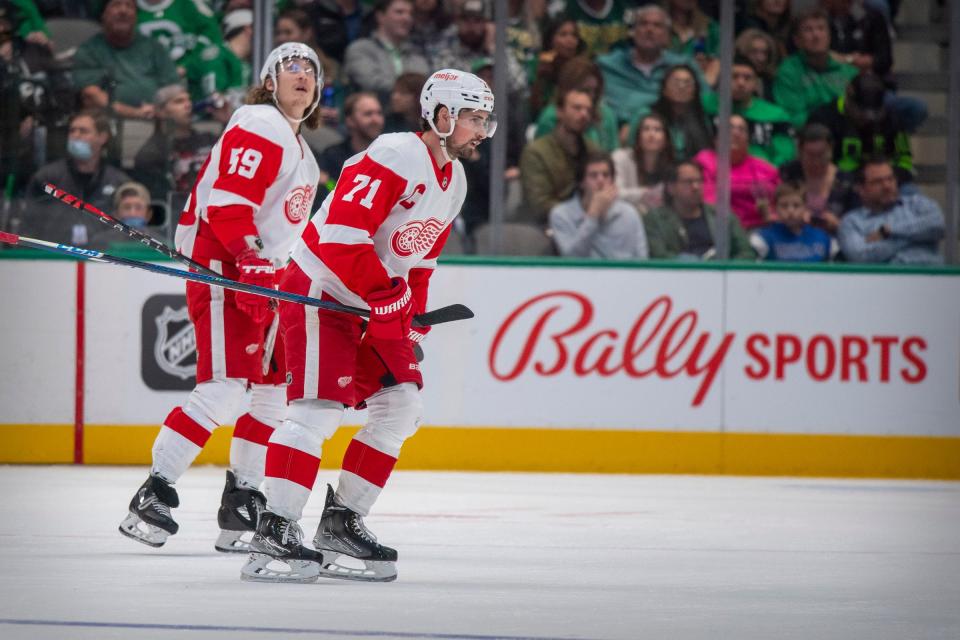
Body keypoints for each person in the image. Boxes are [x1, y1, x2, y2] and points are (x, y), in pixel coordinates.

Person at [240, 68, 496, 583]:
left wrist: (410, 316)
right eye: (472, 117)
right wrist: (386, 296)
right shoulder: (395, 154)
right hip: (322, 291)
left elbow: (419, 261)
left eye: (484, 119)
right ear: (442, 116)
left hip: (367, 302)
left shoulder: (456, 180)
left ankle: (339, 523)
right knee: (316, 411)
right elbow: (339, 236)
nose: (480, 129)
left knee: (401, 407)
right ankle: (274, 527)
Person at [118, 42, 322, 553]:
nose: (303, 76)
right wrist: (249, 259)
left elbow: (287, 233)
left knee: (273, 395)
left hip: (264, 278)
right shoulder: (259, 122)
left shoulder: (306, 155)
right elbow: (229, 204)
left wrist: (284, 277)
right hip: (225, 267)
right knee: (225, 388)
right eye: (291, 67)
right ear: (269, 81)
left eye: (311, 70)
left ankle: (242, 502)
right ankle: (154, 490)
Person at [21, 109, 131, 246]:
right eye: (72, 131)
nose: (75, 135)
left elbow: (129, 231)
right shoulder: (46, 178)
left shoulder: (119, 182)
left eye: (83, 131)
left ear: (102, 137)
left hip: (104, 260)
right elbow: (27, 226)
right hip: (52, 259)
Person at [597, 4, 706, 137]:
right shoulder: (606, 65)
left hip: (671, 135)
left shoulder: (684, 66)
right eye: (643, 24)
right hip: (615, 136)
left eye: (657, 25)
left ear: (667, 35)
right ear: (633, 31)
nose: (649, 29)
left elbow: (706, 102)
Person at [72, 0, 180, 120]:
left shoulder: (154, 47)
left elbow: (173, 88)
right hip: (109, 122)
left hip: (157, 120)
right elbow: (91, 96)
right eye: (116, 5)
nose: (123, 11)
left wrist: (158, 109)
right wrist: (135, 113)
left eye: (129, 6)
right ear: (103, 14)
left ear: (136, 16)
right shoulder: (89, 51)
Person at [807, 72, 915, 188]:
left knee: (909, 190)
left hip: (883, 179)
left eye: (875, 113)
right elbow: (816, 161)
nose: (867, 119)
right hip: (838, 182)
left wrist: (894, 175)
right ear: (849, 100)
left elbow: (905, 158)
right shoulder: (824, 118)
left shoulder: (892, 119)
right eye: (861, 112)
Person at [838, 157, 945, 264]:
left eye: (890, 179)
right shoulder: (852, 222)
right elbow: (861, 256)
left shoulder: (916, 204)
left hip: (930, 275)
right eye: (878, 182)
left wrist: (889, 231)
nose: (887, 186)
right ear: (860, 189)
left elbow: (938, 225)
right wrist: (917, 237)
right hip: (886, 278)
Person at [644, 161, 755, 260]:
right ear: (671, 188)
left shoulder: (722, 216)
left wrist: (724, 269)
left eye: (699, 181)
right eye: (688, 182)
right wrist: (689, 264)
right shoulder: (655, 219)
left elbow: (746, 253)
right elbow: (658, 255)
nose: (696, 186)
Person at [519, 87, 596, 229]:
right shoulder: (537, 152)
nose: (584, 114)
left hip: (590, 222)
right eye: (577, 108)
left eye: (588, 110)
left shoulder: (593, 151)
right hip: (546, 227)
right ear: (559, 111)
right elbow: (540, 205)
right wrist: (580, 214)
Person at [549, 150, 648, 259]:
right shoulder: (561, 214)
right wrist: (593, 216)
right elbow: (572, 258)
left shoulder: (630, 214)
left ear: (613, 182)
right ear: (581, 183)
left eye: (606, 175)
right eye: (593, 175)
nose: (600, 180)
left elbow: (642, 261)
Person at [133, 84, 219, 205]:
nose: (188, 105)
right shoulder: (150, 154)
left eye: (189, 100)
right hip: (179, 217)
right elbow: (159, 203)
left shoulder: (211, 140)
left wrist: (227, 119)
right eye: (179, 101)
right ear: (161, 111)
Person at [772, 7, 858, 128]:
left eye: (821, 29)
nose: (816, 35)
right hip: (810, 136)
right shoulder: (788, 71)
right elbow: (792, 117)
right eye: (808, 30)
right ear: (797, 40)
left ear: (829, 36)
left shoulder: (847, 70)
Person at [703, 56, 795, 166]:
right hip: (712, 174)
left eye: (747, 78)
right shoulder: (704, 105)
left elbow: (784, 156)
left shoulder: (777, 115)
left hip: (761, 178)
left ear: (756, 83)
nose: (741, 83)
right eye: (734, 77)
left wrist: (769, 174)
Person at [694, 114, 780, 230]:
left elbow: (782, 202)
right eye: (729, 128)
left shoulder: (766, 169)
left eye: (741, 130)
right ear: (716, 139)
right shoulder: (703, 162)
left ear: (748, 140)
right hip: (716, 229)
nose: (736, 133)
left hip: (760, 229)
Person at [343, 0, 430, 106]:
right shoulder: (360, 49)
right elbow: (370, 83)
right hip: (374, 115)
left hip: (412, 118)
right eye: (399, 12)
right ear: (380, 17)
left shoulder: (417, 54)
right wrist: (408, 91)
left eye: (410, 14)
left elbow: (424, 84)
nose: (407, 18)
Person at [778, 123, 859, 234]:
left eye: (821, 155)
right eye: (810, 155)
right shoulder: (787, 173)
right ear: (800, 152)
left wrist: (838, 224)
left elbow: (859, 220)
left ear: (831, 150)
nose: (816, 161)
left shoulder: (847, 180)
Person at [534, 57, 619, 152]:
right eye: (585, 91)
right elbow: (541, 154)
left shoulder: (606, 115)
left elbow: (613, 155)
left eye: (595, 91)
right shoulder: (550, 116)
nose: (591, 96)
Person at [316, 91, 385, 197]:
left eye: (379, 113)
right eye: (368, 114)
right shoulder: (333, 155)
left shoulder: (388, 156)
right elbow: (329, 188)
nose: (376, 119)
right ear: (350, 120)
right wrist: (330, 183)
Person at [750, 182, 836, 262]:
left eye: (796, 205)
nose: (790, 211)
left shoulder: (823, 238)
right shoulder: (763, 239)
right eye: (784, 206)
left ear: (806, 207)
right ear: (775, 208)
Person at [611, 112, 675, 214]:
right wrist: (645, 194)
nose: (651, 134)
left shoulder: (671, 166)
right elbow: (614, 193)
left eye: (657, 130)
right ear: (638, 137)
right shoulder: (621, 157)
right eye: (646, 129)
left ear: (666, 140)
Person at [529, 15, 586, 117]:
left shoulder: (581, 69)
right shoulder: (536, 64)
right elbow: (532, 108)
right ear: (551, 39)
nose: (570, 40)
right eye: (563, 35)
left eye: (574, 35)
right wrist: (540, 79)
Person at [88, 181, 163, 249]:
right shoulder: (100, 242)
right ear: (116, 214)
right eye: (127, 207)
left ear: (149, 214)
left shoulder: (161, 245)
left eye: (138, 207)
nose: (132, 213)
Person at [734, 28, 780, 102]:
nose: (761, 58)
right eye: (754, 52)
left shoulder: (770, 82)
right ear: (742, 52)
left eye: (765, 53)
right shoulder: (729, 77)